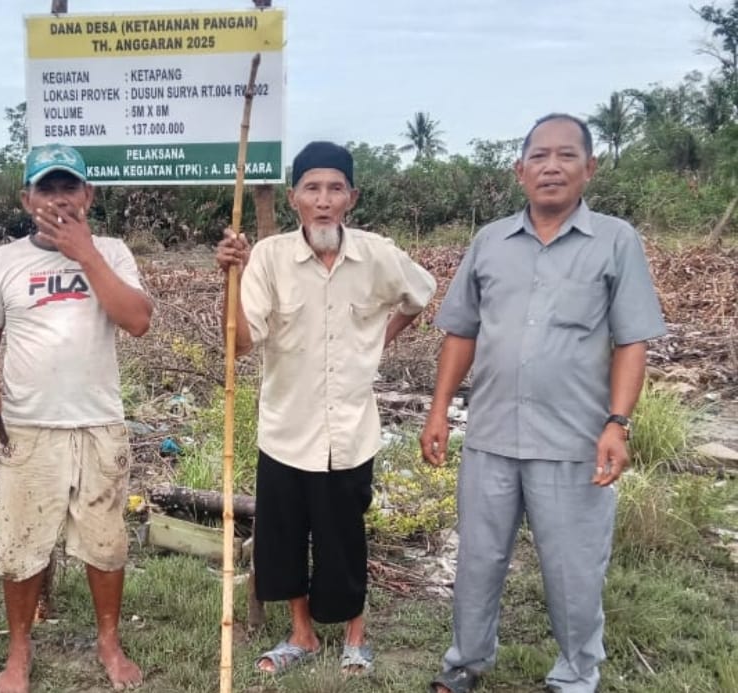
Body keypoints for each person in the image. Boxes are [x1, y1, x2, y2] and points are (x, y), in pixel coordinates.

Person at [420, 113, 666, 693]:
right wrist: (438, 410)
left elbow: (632, 341)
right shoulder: (490, 242)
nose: (551, 167)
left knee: (573, 566)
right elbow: (461, 332)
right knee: (478, 561)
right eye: (539, 156)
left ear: (590, 168)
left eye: (566, 155)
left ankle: (576, 674)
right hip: (490, 436)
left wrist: (618, 423)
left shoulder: (615, 241)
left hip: (574, 441)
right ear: (520, 170)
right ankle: (465, 664)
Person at [215, 141, 437, 675]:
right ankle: (302, 635)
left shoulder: (377, 255)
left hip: (350, 431)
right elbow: (239, 343)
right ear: (293, 197)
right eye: (312, 188)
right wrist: (231, 279)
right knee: (284, 537)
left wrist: (377, 342)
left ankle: (355, 635)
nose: (323, 200)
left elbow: (420, 295)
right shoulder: (269, 258)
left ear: (351, 198)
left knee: (344, 537)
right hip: (285, 430)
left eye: (335, 189)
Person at [0, 144, 152, 693]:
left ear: (88, 195)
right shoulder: (4, 262)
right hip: (27, 428)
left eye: (68, 187)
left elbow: (138, 321)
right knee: (21, 547)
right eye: (45, 189)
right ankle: (19, 652)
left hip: (99, 423)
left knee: (106, 543)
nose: (58, 199)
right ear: (26, 199)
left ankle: (109, 643)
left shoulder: (112, 252)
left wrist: (84, 253)